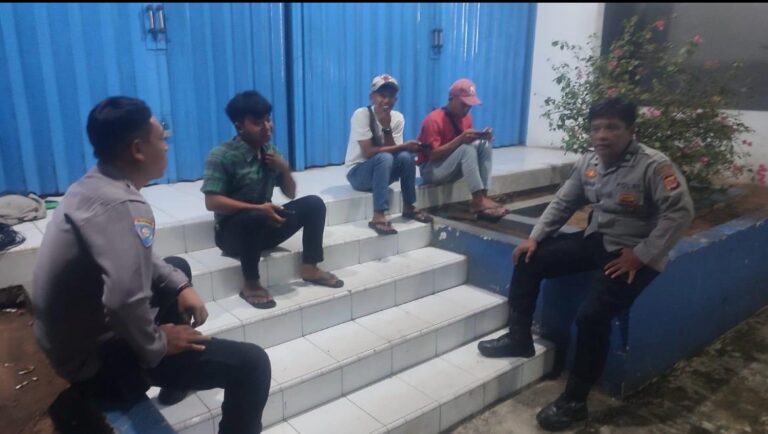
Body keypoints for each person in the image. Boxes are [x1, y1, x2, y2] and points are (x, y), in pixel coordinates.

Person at [30, 96, 272, 434]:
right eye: (162, 138)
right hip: (92, 362)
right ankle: (159, 365)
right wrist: (158, 342)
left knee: (176, 268)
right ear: (138, 149)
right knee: (252, 364)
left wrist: (181, 285)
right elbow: (122, 300)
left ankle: (175, 380)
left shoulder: (91, 185)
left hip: (68, 339)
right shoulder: (124, 204)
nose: (167, 146)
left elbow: (135, 258)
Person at [477, 97, 695, 431]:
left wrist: (642, 254)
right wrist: (535, 237)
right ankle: (519, 339)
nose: (602, 135)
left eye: (612, 127)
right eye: (596, 128)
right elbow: (564, 201)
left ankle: (575, 402)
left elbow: (679, 213)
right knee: (528, 258)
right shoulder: (589, 161)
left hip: (634, 255)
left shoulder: (654, 166)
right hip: (598, 240)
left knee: (592, 316)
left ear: (631, 130)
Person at [202, 90, 343, 310]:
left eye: (268, 119)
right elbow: (212, 202)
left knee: (314, 204)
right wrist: (258, 208)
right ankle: (251, 283)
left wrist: (284, 169)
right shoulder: (221, 155)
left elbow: (291, 194)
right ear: (239, 126)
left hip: (263, 226)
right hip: (232, 236)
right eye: (258, 123)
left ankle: (310, 267)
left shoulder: (271, 153)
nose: (267, 127)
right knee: (255, 215)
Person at [345, 74, 433, 235]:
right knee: (385, 157)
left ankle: (409, 206)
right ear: (372, 97)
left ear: (396, 99)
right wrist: (403, 145)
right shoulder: (361, 115)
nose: (386, 100)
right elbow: (368, 152)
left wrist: (387, 128)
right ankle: (378, 215)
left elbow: (396, 152)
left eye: (391, 96)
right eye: (382, 95)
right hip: (358, 174)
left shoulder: (397, 118)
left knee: (406, 156)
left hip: (382, 171)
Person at [416, 78, 508, 222]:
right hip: (431, 170)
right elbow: (432, 155)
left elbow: (467, 146)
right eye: (463, 104)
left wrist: (482, 137)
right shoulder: (433, 120)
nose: (466, 109)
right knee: (466, 149)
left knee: (483, 144)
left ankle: (483, 196)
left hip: (450, 166)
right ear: (451, 99)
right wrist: (460, 140)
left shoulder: (467, 118)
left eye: (469, 106)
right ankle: (478, 200)